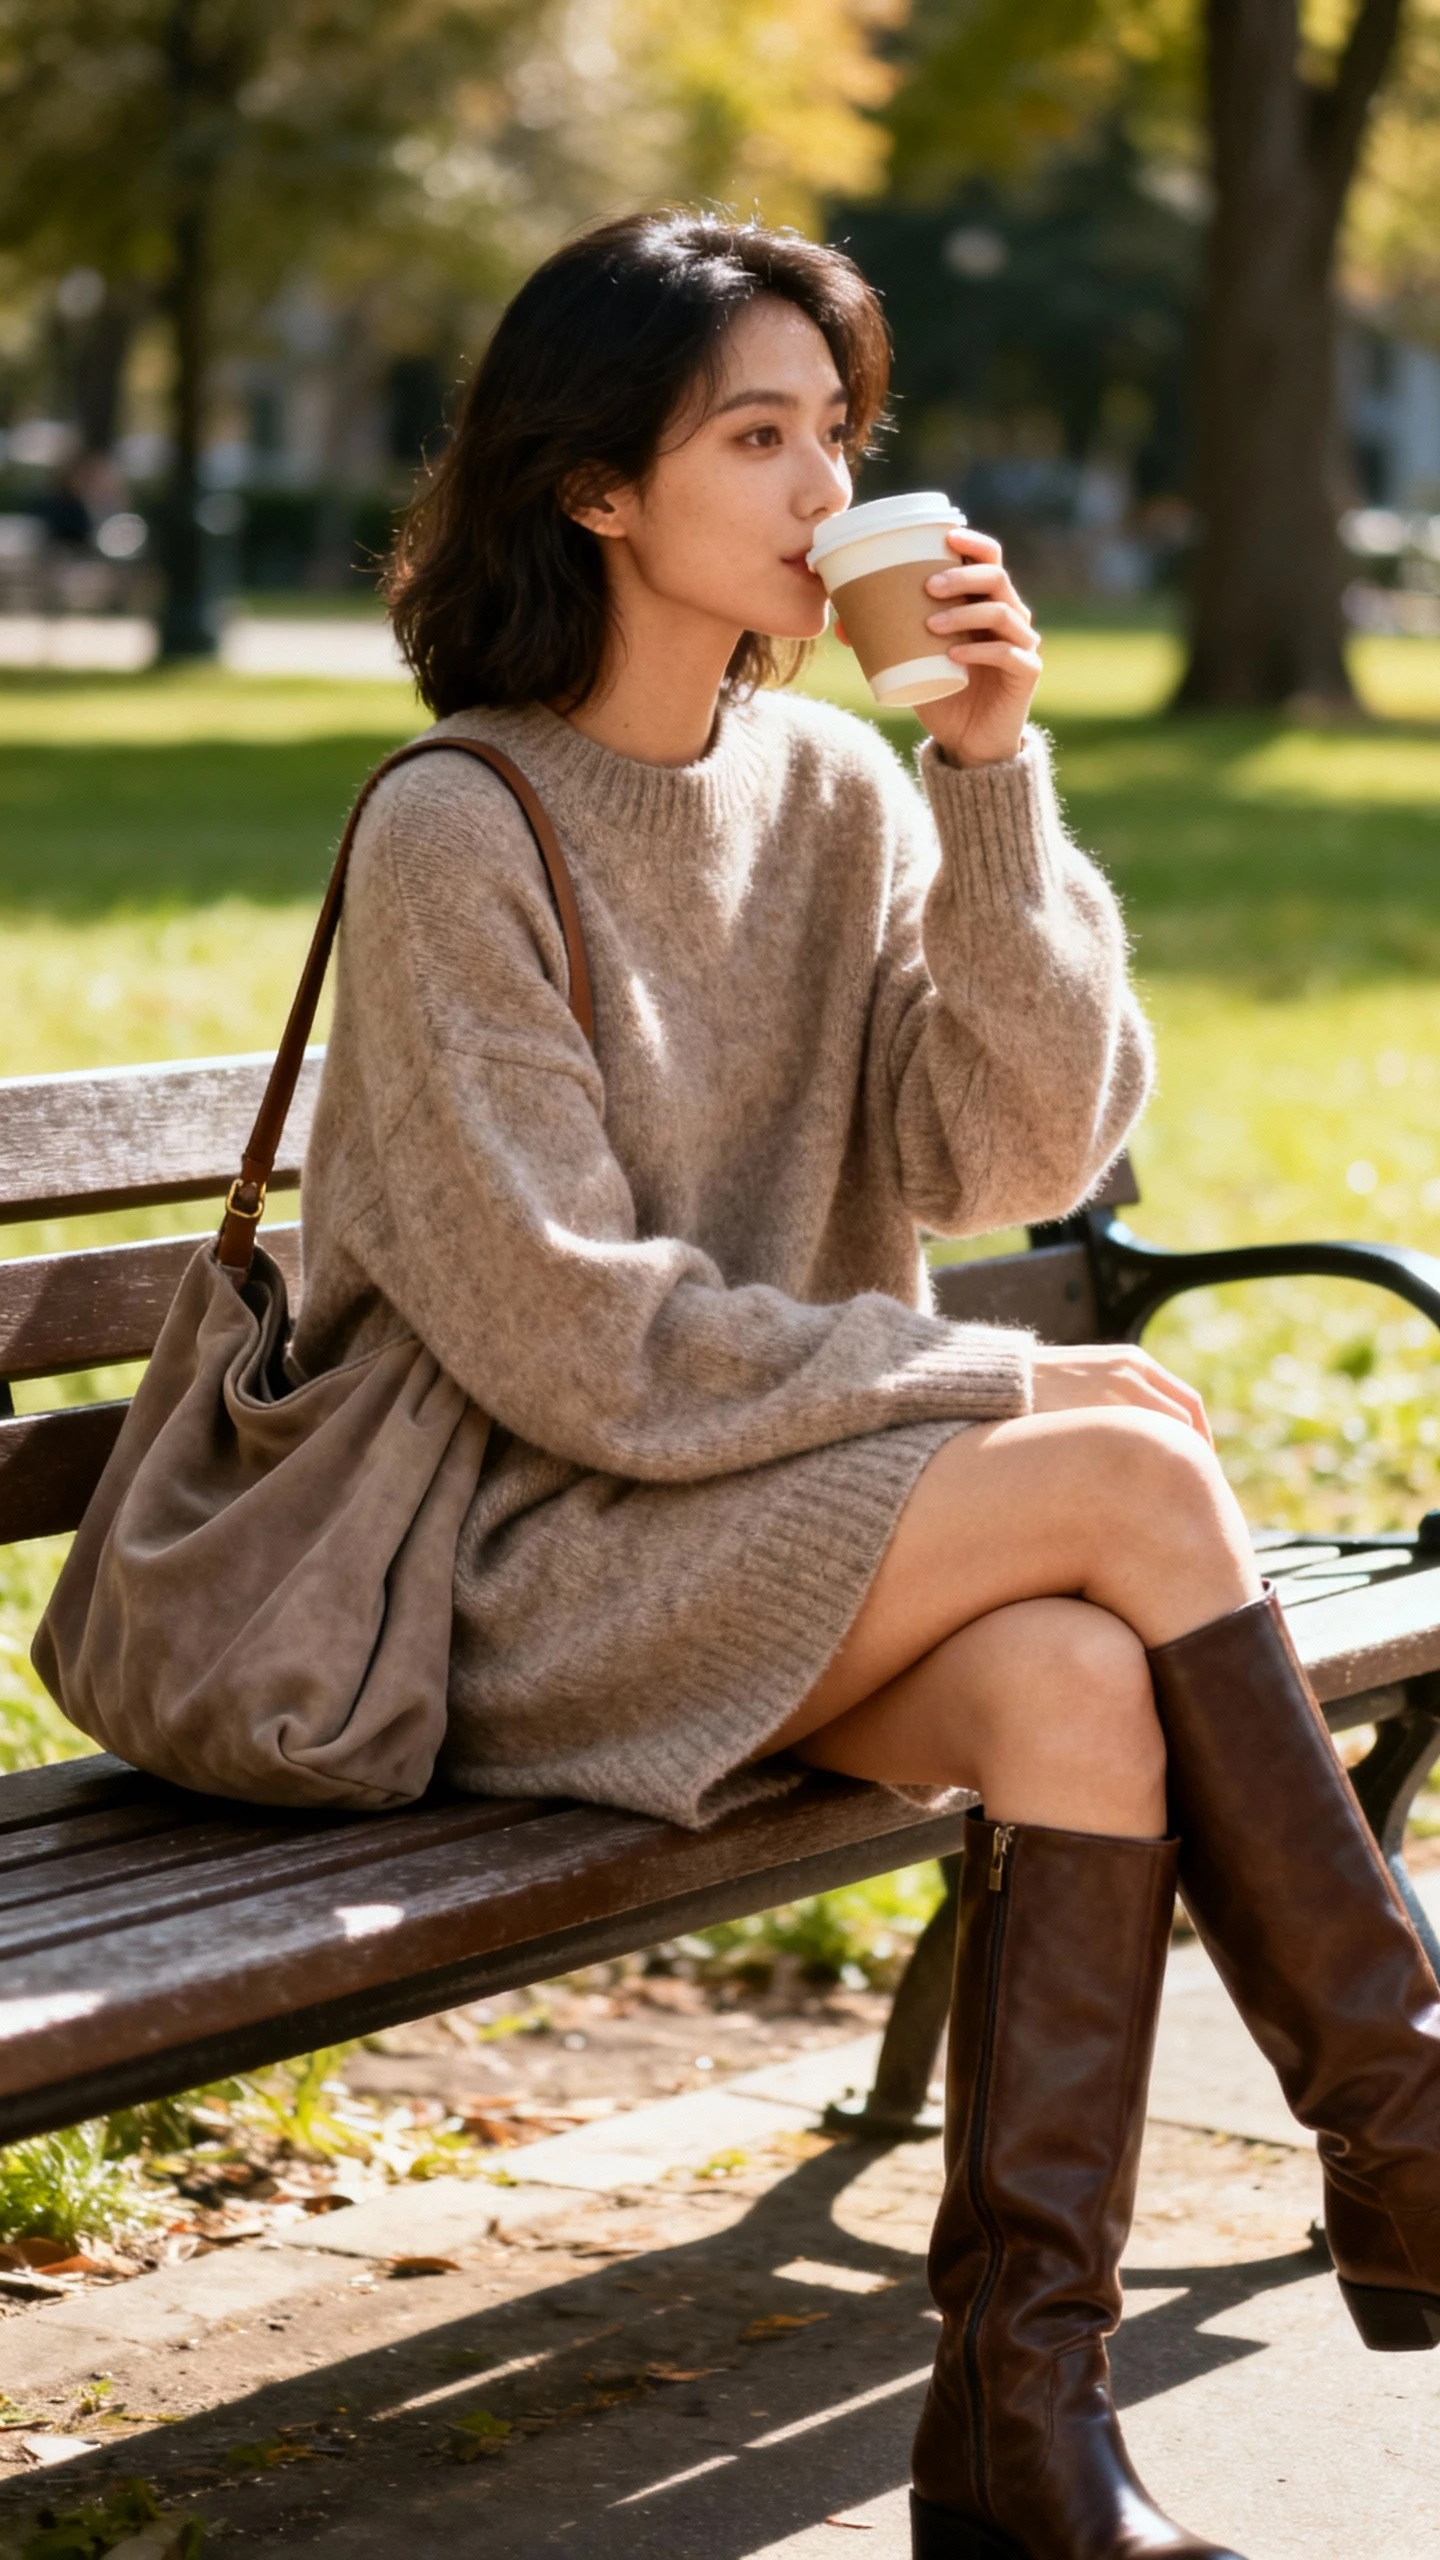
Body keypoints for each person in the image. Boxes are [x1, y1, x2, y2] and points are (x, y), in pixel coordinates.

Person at [292, 210, 1440, 2559]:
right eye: (758, 435)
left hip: (762, 1525)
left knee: (1069, 1690)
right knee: (1114, 1450)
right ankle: (1406, 2120)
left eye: (841, 433)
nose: (828, 490)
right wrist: (965, 1392)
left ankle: (1025, 2426)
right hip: (514, 1562)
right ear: (600, 483)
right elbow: (565, 1331)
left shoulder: (828, 790)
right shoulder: (453, 828)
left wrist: (993, 775)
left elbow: (1016, 1146)